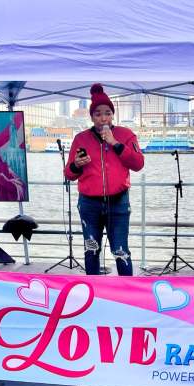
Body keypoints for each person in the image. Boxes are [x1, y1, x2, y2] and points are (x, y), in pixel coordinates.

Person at [65, 83, 145, 275]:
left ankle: (127, 293)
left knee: (121, 250)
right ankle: (92, 293)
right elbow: (68, 174)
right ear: (91, 117)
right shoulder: (81, 139)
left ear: (113, 115)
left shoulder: (126, 135)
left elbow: (138, 164)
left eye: (107, 113)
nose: (103, 118)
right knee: (91, 249)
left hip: (118, 202)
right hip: (89, 203)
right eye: (98, 113)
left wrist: (115, 144)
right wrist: (76, 164)